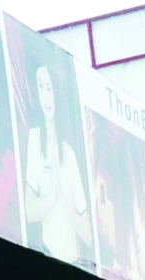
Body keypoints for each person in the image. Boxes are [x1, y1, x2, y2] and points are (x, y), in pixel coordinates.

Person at [23, 65, 91, 265]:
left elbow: (88, 235)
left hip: (75, 262)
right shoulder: (35, 138)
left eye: (49, 88)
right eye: (40, 87)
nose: (46, 97)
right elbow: (29, 212)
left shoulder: (69, 153)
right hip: (48, 256)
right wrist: (53, 196)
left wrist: (65, 203)